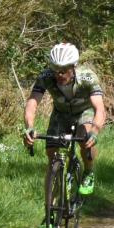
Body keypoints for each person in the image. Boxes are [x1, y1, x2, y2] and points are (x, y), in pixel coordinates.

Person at [23, 43, 105, 204]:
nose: (58, 74)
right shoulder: (45, 77)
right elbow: (32, 103)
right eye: (55, 70)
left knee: (85, 137)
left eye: (63, 70)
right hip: (60, 114)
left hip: (84, 112)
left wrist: (94, 131)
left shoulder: (87, 78)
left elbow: (100, 109)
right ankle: (49, 215)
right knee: (52, 157)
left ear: (73, 67)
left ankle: (88, 171)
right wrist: (29, 128)